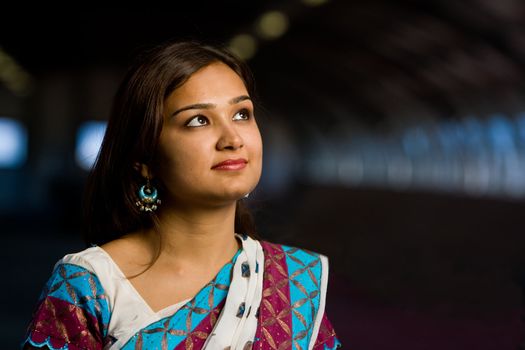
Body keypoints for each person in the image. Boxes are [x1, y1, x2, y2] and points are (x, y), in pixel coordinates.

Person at [22, 40, 341, 349]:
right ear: (146, 159)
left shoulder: (293, 283)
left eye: (242, 114)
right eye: (198, 120)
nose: (232, 139)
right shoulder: (91, 285)